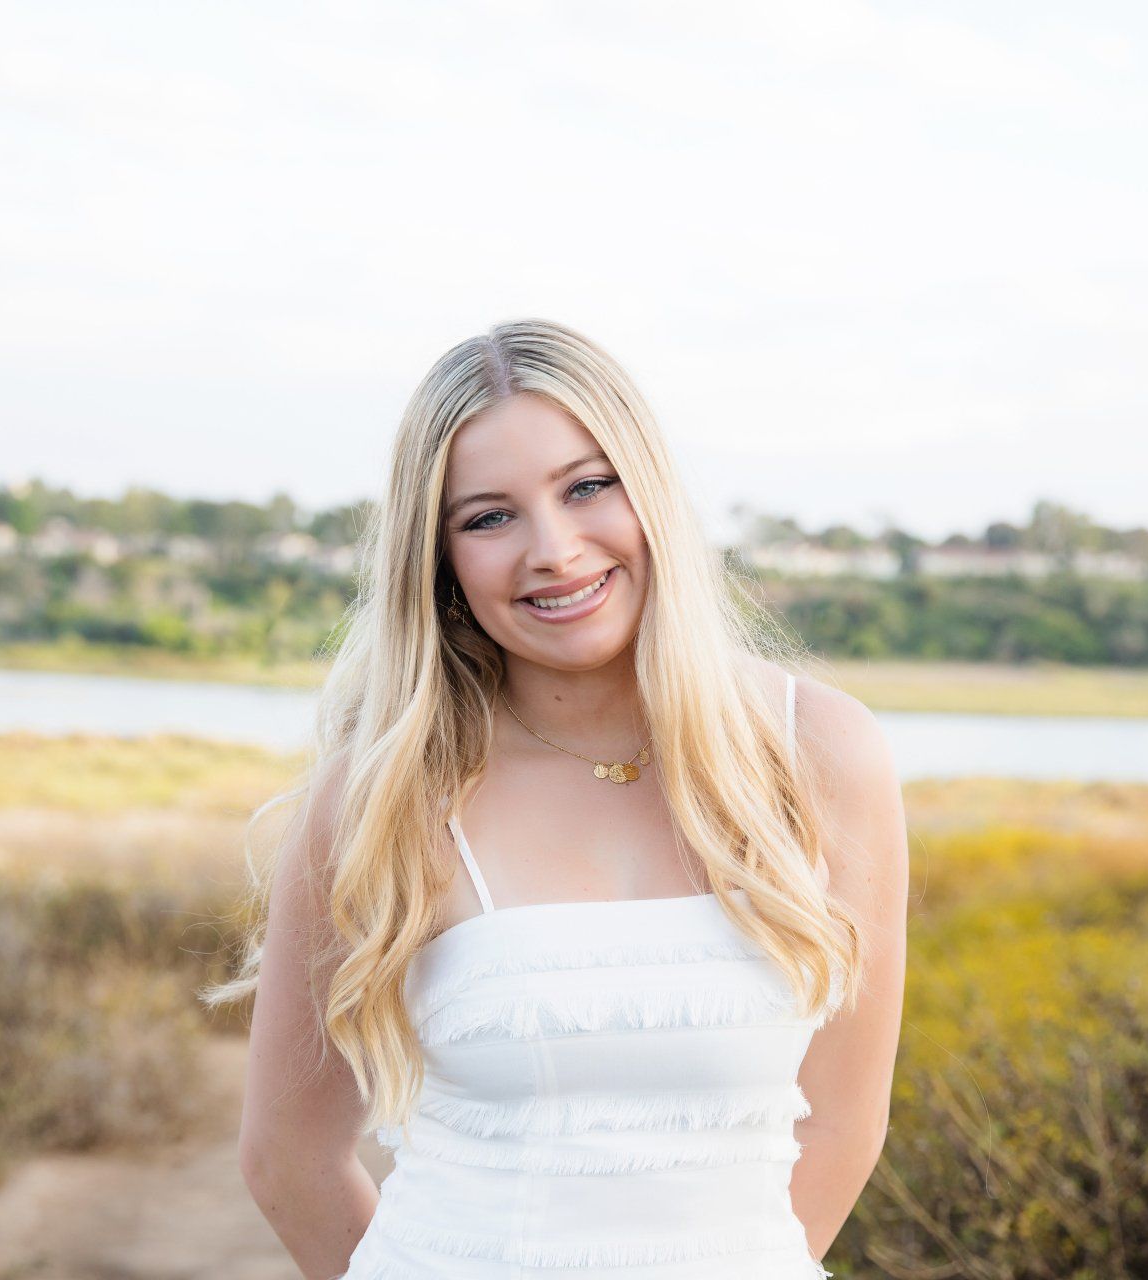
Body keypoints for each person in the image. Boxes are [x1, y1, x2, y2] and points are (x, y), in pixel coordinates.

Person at [210, 318, 908, 1278]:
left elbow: (842, 1123)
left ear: (650, 492)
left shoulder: (820, 752)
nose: (555, 549)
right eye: (488, 517)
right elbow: (288, 1159)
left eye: (587, 487)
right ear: (439, 557)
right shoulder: (385, 796)